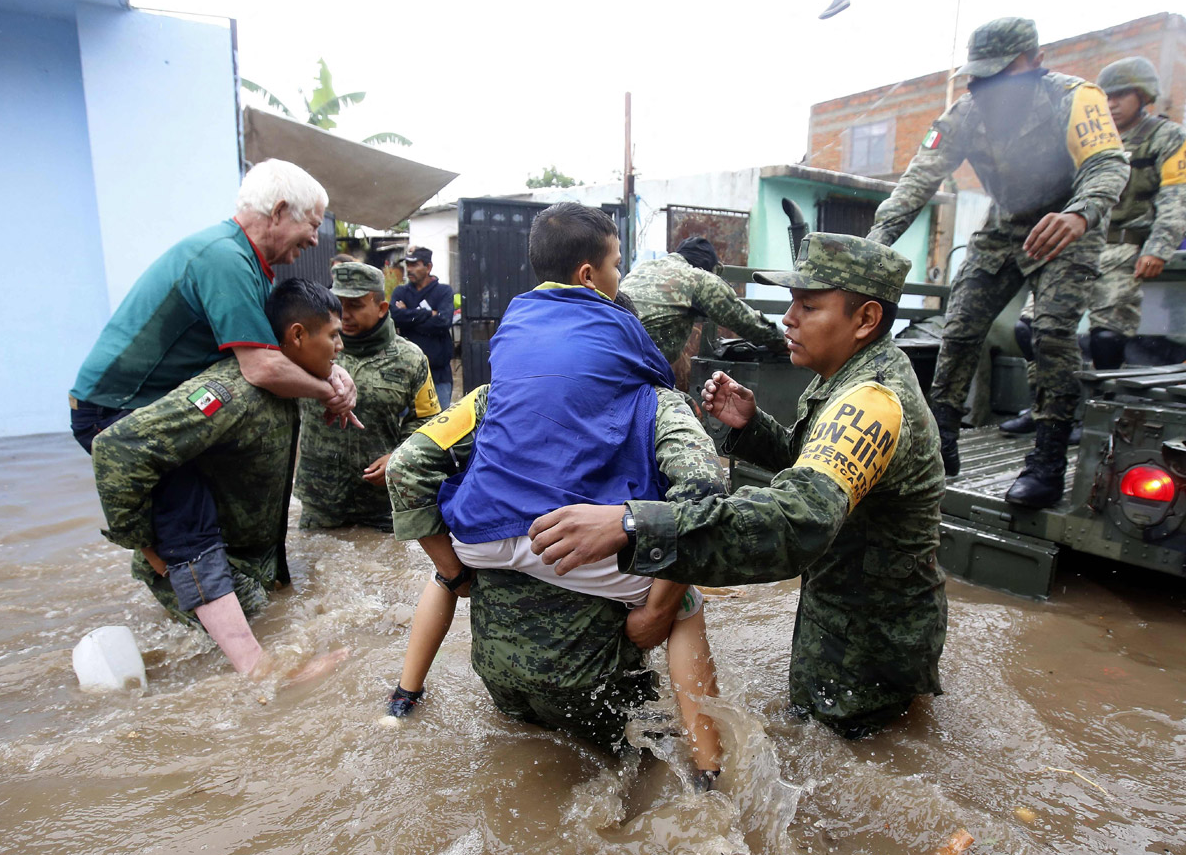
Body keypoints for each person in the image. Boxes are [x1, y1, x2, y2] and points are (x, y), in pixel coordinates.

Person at [529, 233, 947, 740]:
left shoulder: (873, 401)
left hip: (869, 640)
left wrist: (633, 524)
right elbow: (825, 474)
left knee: (857, 757)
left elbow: (799, 520)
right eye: (792, 302)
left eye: (809, 305)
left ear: (865, 320)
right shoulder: (845, 378)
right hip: (847, 611)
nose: (789, 319)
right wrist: (754, 429)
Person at [386, 203, 728, 784]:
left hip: (483, 542)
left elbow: (406, 468)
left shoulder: (498, 386)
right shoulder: (653, 395)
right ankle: (709, 770)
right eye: (617, 263)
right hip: (580, 552)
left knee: (444, 574)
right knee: (687, 594)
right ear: (592, 278)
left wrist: (454, 569)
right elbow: (706, 490)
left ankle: (402, 697)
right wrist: (659, 605)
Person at [865, 17, 1130, 509]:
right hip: (1004, 227)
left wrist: (1081, 213)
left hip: (1066, 222)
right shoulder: (967, 111)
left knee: (1050, 333)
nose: (986, 86)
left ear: (1035, 62)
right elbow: (918, 180)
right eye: (979, 76)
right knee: (961, 328)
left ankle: (1047, 461)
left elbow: (1107, 163)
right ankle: (942, 441)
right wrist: (873, 245)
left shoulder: (1075, 97)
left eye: (999, 74)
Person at [69, 159, 360, 576]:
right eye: (312, 225)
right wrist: (329, 392)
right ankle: (215, 614)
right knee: (191, 536)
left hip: (152, 407)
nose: (315, 240)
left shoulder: (252, 264)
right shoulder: (225, 258)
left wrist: (335, 374)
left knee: (193, 522)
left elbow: (279, 348)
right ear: (278, 212)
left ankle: (187, 590)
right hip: (113, 410)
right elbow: (262, 367)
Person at [92, 279, 349, 678]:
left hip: (253, 564)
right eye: (334, 336)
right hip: (209, 569)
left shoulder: (289, 382)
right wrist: (146, 547)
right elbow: (117, 447)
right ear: (297, 335)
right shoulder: (232, 393)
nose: (340, 348)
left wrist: (338, 381)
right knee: (275, 666)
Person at [1002, 56, 1186, 434]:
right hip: (1075, 241)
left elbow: (1175, 198)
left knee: (1107, 336)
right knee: (1030, 328)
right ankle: (1044, 408)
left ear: (1144, 95)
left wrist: (1157, 248)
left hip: (1122, 246)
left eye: (1123, 95)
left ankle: (1094, 416)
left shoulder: (1166, 137)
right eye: (1108, 96)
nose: (1113, 103)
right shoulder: (1090, 133)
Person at [295, 262, 440, 530]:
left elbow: (428, 422)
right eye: (338, 304)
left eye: (355, 305)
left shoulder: (410, 358)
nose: (344, 315)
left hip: (382, 504)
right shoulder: (308, 349)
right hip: (320, 498)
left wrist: (398, 457)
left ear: (382, 308)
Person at [621, 236, 787, 367]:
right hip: (637, 369)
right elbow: (746, 322)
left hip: (611, 355)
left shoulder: (643, 268)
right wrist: (783, 342)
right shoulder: (698, 278)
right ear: (709, 268)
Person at [391, 246, 455, 409]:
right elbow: (394, 318)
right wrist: (427, 314)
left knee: (439, 426)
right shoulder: (401, 292)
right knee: (407, 430)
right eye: (408, 265)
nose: (409, 269)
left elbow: (443, 322)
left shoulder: (443, 291)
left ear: (428, 267)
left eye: (415, 265)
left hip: (437, 375)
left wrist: (409, 315)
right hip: (406, 374)